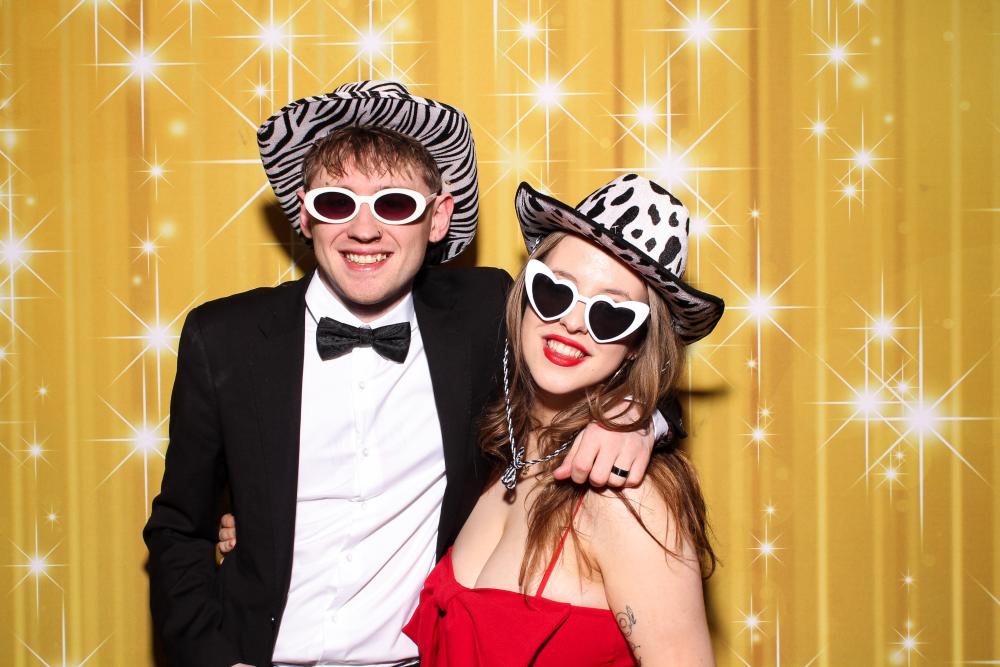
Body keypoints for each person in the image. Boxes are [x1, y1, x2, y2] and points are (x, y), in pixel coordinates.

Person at [144, 81, 676, 667]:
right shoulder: (224, 338)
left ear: (439, 217)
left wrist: (637, 420)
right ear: (305, 213)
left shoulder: (485, 313)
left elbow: (613, 351)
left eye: (394, 204)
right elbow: (178, 530)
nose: (363, 230)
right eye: (337, 203)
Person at [401, 174, 724, 665]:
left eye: (611, 314)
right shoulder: (498, 447)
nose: (572, 321)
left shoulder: (625, 495)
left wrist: (641, 416)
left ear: (636, 344)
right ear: (525, 294)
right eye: (555, 291)